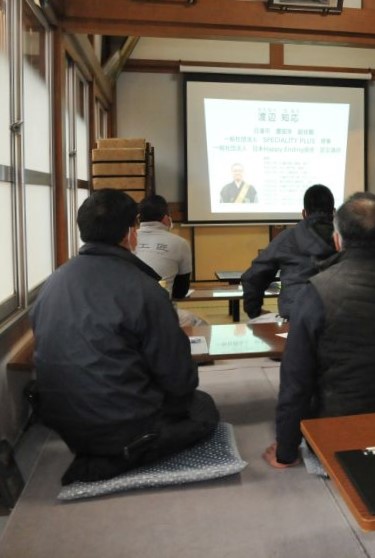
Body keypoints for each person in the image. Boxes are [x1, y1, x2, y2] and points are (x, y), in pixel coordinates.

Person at [30, 189, 219, 485]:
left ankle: (104, 448)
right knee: (203, 408)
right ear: (131, 232)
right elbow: (180, 380)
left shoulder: (55, 281)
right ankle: (119, 456)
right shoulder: (144, 289)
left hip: (63, 423)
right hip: (124, 426)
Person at [264, 192, 375, 468]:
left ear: (337, 239)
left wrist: (286, 450)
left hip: (340, 432)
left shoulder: (318, 291)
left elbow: (295, 382)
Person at [241, 184, 336, 321]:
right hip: (339, 320)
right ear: (333, 212)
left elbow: (253, 277)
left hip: (294, 318)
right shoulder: (347, 238)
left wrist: (255, 311)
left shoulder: (287, 237)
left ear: (304, 213)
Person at [134, 194, 204, 327]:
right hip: (159, 313)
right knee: (201, 326)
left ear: (138, 219)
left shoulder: (125, 240)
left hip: (124, 312)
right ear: (167, 219)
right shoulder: (180, 243)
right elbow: (180, 291)